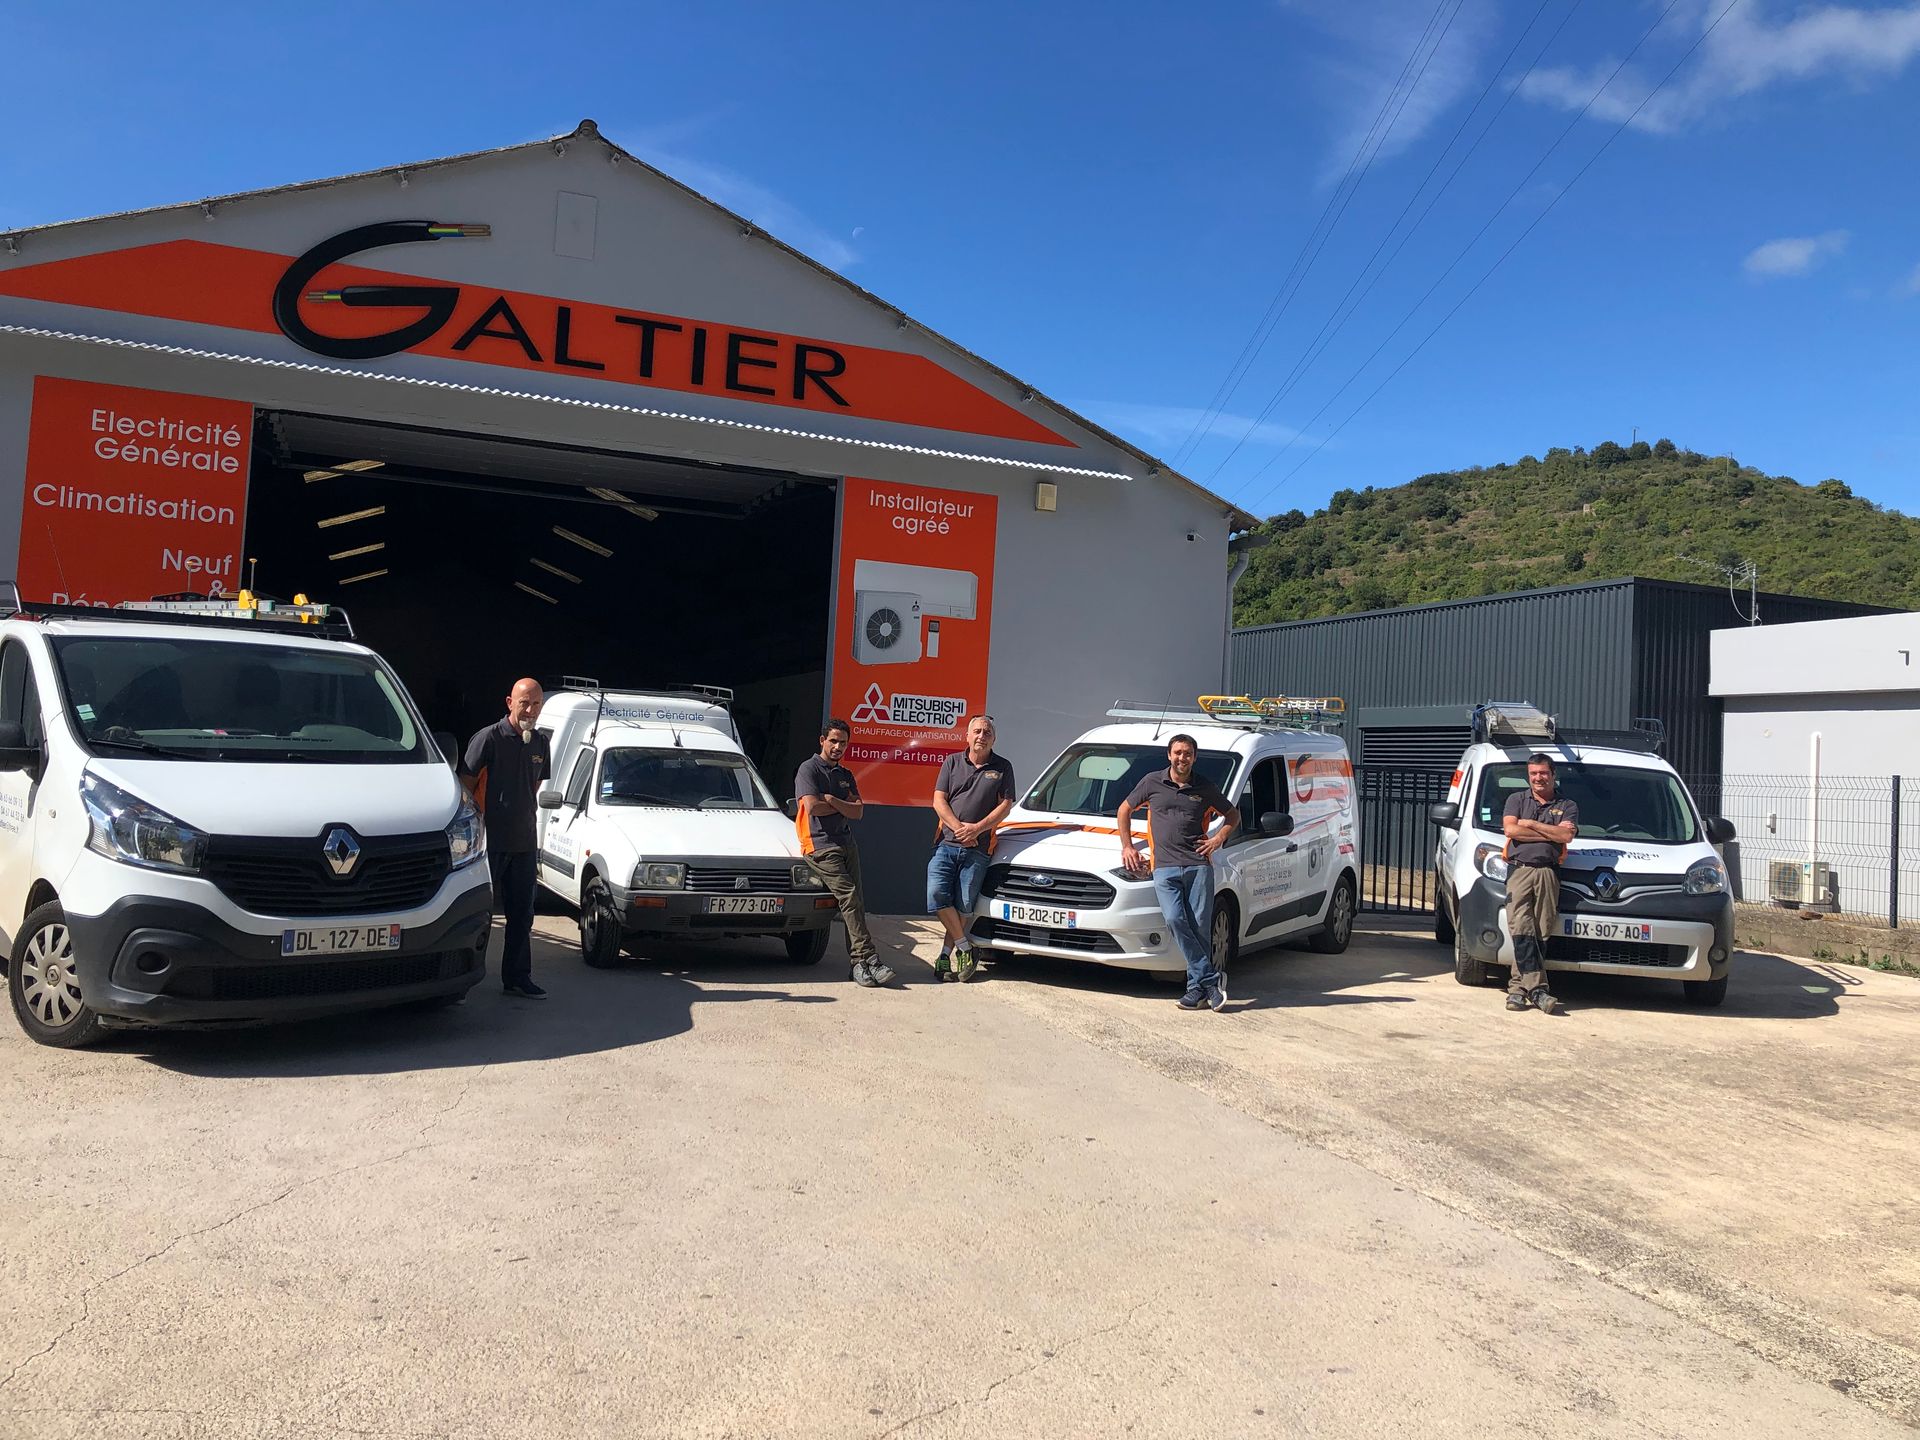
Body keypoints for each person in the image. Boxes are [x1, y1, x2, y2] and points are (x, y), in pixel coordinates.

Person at [1119, 734, 1239, 1011]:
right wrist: (1127, 847)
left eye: (1187, 753)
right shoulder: (1152, 782)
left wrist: (1217, 839)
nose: (1181, 758)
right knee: (1175, 919)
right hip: (1164, 866)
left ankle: (1194, 990)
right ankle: (1211, 980)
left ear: (1194, 757)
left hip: (1198, 865)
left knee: (1199, 928)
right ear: (1169, 755)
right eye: (1177, 752)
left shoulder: (1205, 787)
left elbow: (1233, 816)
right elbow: (1124, 809)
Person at [461, 677, 551, 999]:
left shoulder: (540, 743)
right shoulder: (488, 738)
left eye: (536, 703)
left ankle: (516, 978)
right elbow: (465, 787)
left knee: (521, 916)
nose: (530, 709)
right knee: (478, 915)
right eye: (524, 702)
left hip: (524, 844)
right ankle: (461, 980)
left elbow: (533, 788)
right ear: (509, 702)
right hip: (488, 844)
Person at [795, 719, 893, 988]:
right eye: (834, 741)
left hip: (847, 842)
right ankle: (867, 959)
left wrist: (833, 801)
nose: (838, 747)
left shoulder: (845, 775)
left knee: (857, 902)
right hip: (820, 845)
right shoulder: (808, 769)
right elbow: (813, 807)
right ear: (822, 741)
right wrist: (841, 805)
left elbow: (859, 811)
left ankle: (858, 963)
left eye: (843, 743)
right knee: (848, 896)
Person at [928, 715, 1016, 982]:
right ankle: (966, 948)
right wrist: (958, 828)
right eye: (976, 731)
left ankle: (945, 955)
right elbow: (938, 800)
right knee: (937, 895)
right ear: (966, 735)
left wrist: (976, 829)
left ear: (994, 738)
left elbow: (1006, 805)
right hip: (947, 843)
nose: (981, 735)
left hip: (978, 848)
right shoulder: (952, 762)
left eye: (987, 732)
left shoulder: (1003, 767)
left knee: (964, 905)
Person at [1502, 752, 1579, 1015]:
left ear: (1553, 774)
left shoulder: (1567, 805)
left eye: (1543, 773)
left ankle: (1518, 991)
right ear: (1528, 775)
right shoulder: (1516, 800)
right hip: (1520, 872)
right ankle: (1537, 990)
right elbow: (1511, 831)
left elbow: (1566, 835)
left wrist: (1533, 824)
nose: (1538, 778)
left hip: (1548, 873)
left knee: (1540, 931)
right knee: (1521, 928)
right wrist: (1549, 833)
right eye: (1533, 773)